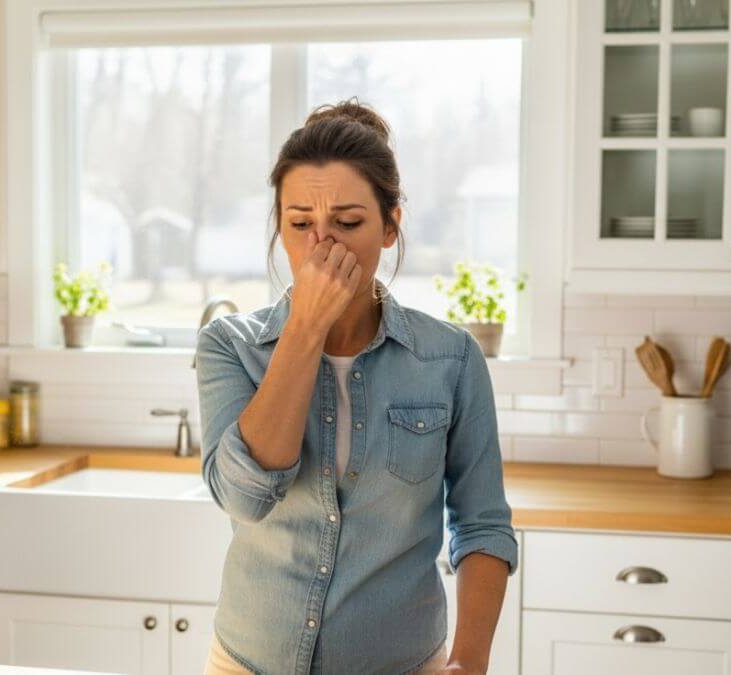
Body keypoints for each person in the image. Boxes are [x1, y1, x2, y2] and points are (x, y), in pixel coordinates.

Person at [195, 98, 517, 675]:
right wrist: (306, 328)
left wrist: (470, 662)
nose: (323, 246)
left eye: (347, 223)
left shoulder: (451, 358)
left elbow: (482, 524)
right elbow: (244, 498)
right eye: (300, 225)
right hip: (248, 662)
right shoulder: (230, 346)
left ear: (391, 225)